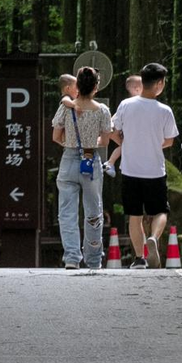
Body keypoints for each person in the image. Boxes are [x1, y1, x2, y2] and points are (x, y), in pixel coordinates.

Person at [109, 61, 178, 268]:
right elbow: (170, 140)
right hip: (155, 170)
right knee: (160, 211)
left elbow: (112, 129)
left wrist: (125, 143)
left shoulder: (126, 105)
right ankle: (154, 238)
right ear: (159, 84)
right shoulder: (164, 110)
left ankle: (139, 258)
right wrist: (154, 143)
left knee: (135, 215)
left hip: (130, 169)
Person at [52, 66, 112, 270]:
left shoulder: (66, 107)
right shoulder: (102, 110)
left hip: (68, 160)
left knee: (67, 212)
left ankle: (71, 257)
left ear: (77, 85)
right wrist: (88, 143)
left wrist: (71, 145)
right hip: (90, 161)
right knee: (93, 211)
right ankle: (94, 259)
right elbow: (104, 141)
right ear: (96, 87)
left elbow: (56, 136)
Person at [104, 75, 142, 177]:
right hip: (127, 137)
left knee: (123, 147)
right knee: (123, 147)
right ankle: (110, 162)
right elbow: (112, 124)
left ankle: (110, 162)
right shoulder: (127, 105)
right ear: (137, 89)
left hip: (132, 139)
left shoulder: (127, 104)